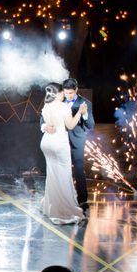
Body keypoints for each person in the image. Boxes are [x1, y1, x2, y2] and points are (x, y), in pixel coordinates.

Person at [44, 78, 94, 213]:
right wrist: (44, 126)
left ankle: (82, 200)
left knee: (78, 169)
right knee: (58, 170)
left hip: (76, 141)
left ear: (76, 90)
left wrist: (84, 114)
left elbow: (90, 125)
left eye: (71, 93)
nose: (68, 96)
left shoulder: (85, 103)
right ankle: (60, 200)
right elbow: (43, 119)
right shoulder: (56, 101)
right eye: (66, 93)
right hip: (58, 140)